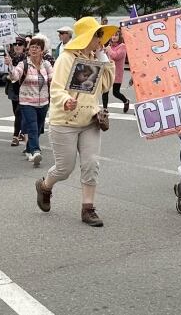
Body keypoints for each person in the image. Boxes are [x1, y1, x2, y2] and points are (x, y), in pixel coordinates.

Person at [34, 16, 116, 227]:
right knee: (65, 168)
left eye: (101, 36)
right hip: (65, 122)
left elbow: (105, 85)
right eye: (97, 36)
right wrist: (66, 100)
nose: (101, 40)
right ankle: (45, 185)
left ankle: (88, 208)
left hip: (90, 120)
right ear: (87, 37)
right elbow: (56, 88)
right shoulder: (66, 58)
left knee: (91, 163)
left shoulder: (97, 57)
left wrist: (105, 60)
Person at [6, 36, 54, 165]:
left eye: (37, 47)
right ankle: (35, 151)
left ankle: (29, 149)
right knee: (32, 126)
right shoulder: (24, 64)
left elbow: (52, 80)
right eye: (32, 47)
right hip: (27, 102)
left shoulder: (46, 64)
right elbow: (15, 76)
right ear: (28, 49)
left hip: (43, 102)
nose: (34, 49)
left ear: (42, 50)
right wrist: (10, 66)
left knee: (38, 128)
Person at [6, 37, 28, 146]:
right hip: (13, 88)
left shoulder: (26, 58)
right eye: (15, 44)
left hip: (24, 88)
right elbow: (4, 72)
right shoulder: (10, 57)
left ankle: (17, 135)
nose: (17, 46)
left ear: (24, 47)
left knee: (20, 111)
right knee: (16, 112)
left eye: (20, 44)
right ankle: (22, 131)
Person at [102, 29, 130, 113]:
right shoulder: (109, 46)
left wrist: (108, 49)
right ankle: (105, 109)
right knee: (105, 90)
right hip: (108, 72)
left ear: (119, 36)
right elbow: (106, 57)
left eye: (116, 35)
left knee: (116, 92)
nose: (114, 37)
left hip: (117, 73)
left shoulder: (122, 46)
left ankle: (126, 101)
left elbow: (116, 56)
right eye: (112, 35)